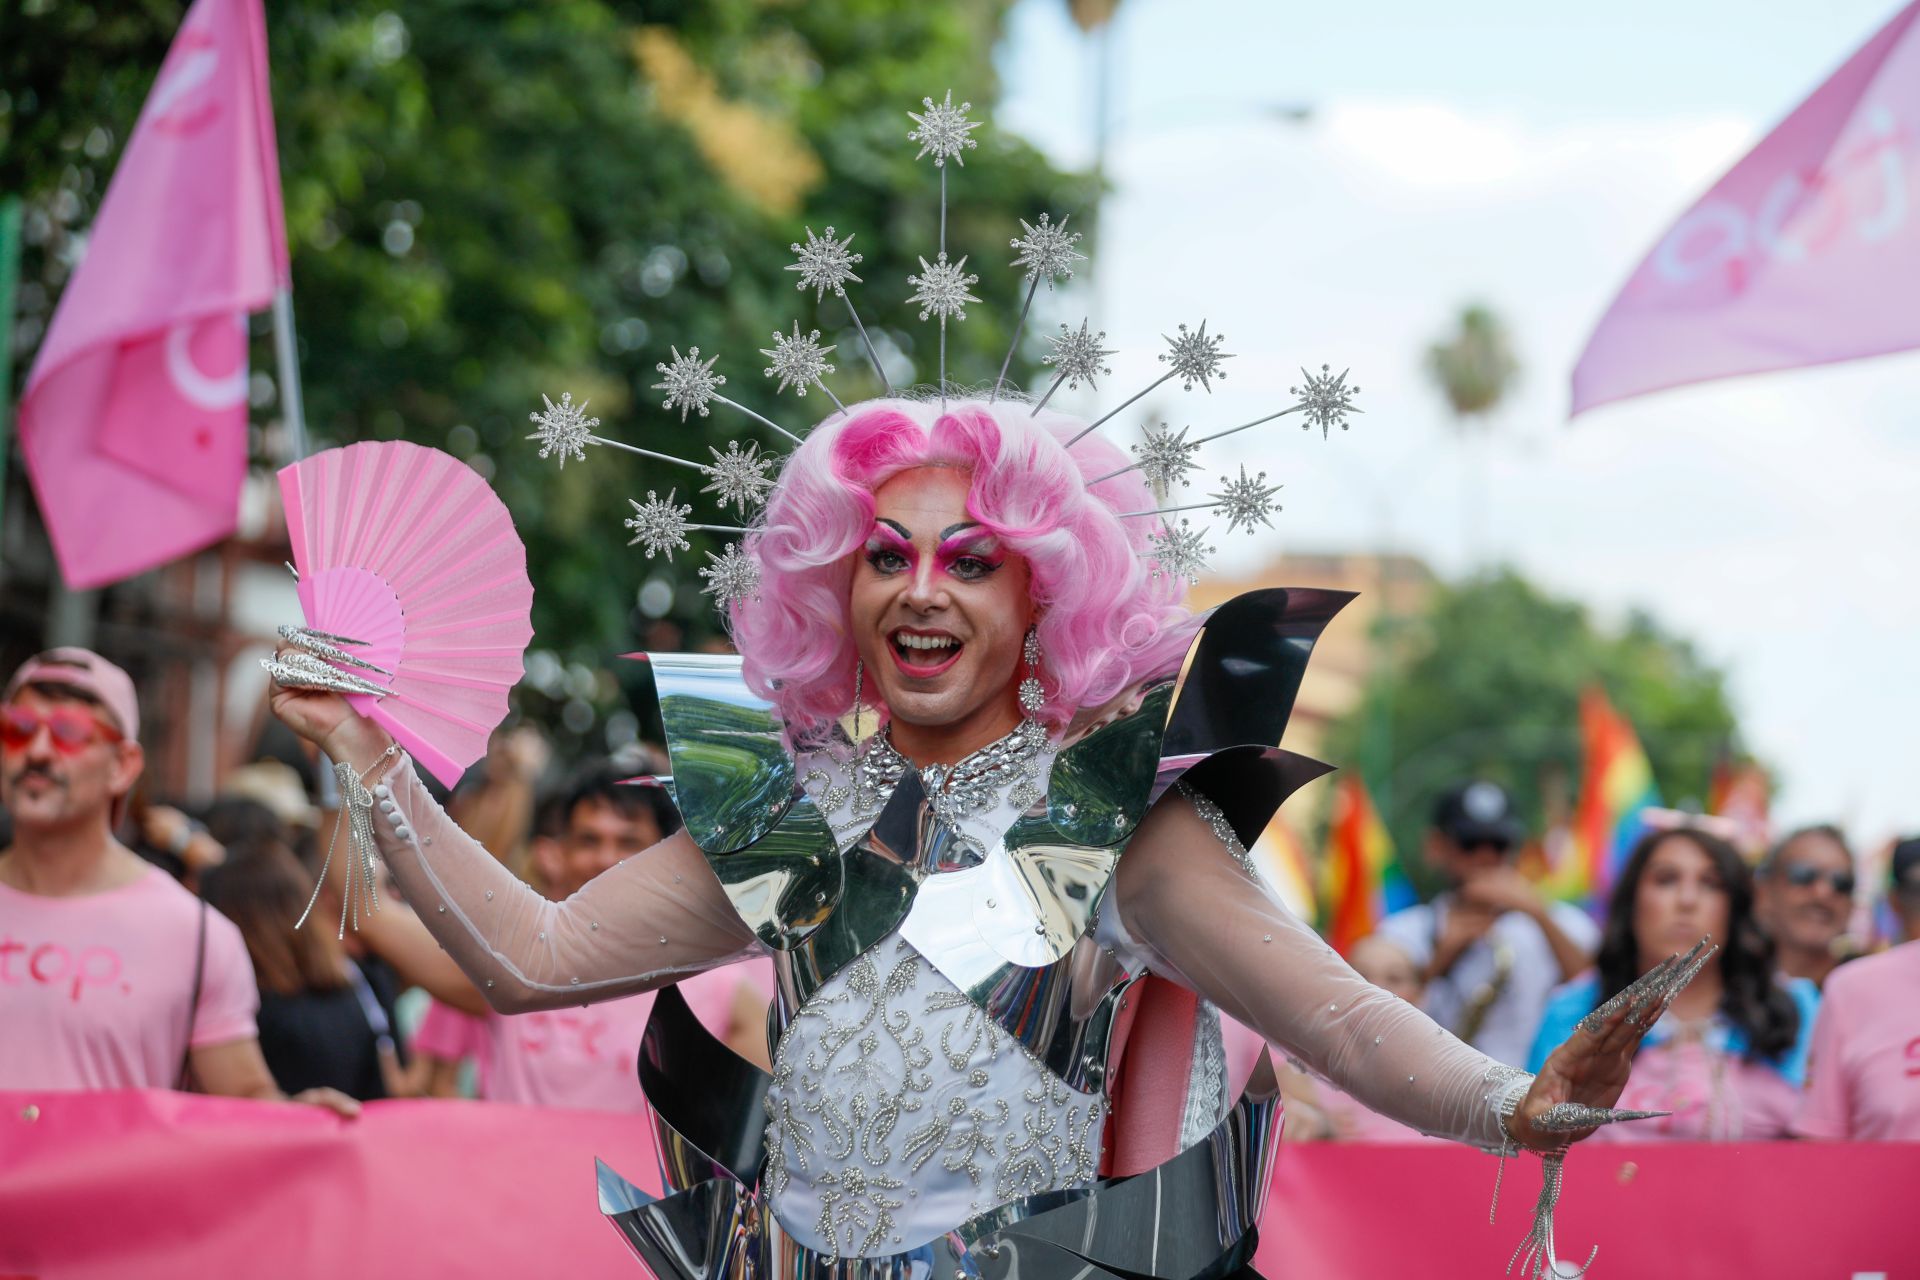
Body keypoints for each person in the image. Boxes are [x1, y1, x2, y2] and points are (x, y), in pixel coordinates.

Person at [270, 397, 1703, 1275]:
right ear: (832, 589)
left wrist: (1512, 1102)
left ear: (1045, 598)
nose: (920, 591)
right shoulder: (792, 803)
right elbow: (532, 955)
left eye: (971, 560)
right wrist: (367, 750)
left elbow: (1330, 1012)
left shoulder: (1115, 819)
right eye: (883, 556)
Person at [0, 648, 356, 1116]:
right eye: (19, 728)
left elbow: (246, 1100)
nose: (38, 751)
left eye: (69, 732)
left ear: (123, 765)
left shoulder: (195, 933)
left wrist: (298, 1118)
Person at [412, 762, 774, 1107]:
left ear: (668, 859)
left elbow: (760, 1120)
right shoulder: (508, 957)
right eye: (589, 840)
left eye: (629, 842)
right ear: (559, 852)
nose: (606, 859)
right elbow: (433, 1080)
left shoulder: (723, 990)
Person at [1528, 825, 1817, 1140]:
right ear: (1632, 900)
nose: (1687, 900)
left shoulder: (1796, 1009)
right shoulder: (1573, 1010)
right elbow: (1534, 1139)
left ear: (1734, 906)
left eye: (1710, 883)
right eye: (1666, 880)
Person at [1376, 780, 1599, 1066]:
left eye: (1499, 844)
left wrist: (1540, 916)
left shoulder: (1563, 921)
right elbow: (1378, 1027)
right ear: (1436, 846)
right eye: (1469, 844)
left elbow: (1600, 997)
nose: (1486, 857)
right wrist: (1441, 959)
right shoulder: (1402, 932)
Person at [1793, 837, 1920, 1140]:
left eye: (1840, 883)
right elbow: (1821, 1141)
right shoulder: (1852, 989)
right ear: (1895, 902)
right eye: (1918, 892)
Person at [1755, 824, 1857, 988]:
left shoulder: (1868, 990)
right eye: (1804, 875)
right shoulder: (1728, 984)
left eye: (1841, 883)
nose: (1823, 892)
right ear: (1764, 892)